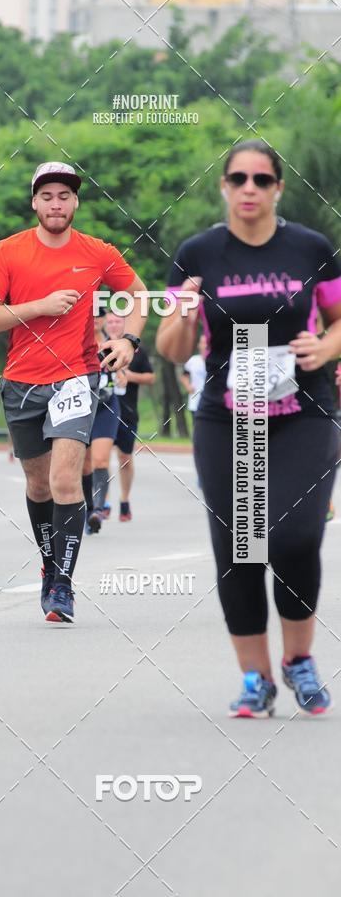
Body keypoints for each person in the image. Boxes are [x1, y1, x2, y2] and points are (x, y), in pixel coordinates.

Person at [157, 139, 341, 718]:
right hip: (225, 416)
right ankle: (255, 678)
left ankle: (298, 660)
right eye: (238, 179)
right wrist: (184, 316)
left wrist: (325, 345)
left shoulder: (309, 247)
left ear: (279, 188)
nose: (250, 189)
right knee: (241, 546)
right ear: (224, 187)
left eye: (262, 180)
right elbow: (169, 348)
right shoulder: (197, 254)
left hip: (303, 413)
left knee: (293, 536)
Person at [0, 161, 146, 623]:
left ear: (76, 202)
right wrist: (39, 307)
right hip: (20, 382)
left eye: (65, 196)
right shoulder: (8, 252)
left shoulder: (97, 252)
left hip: (76, 376)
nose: (56, 203)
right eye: (47, 196)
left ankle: (63, 587)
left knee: (66, 481)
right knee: (37, 484)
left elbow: (139, 294)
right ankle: (50, 564)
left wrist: (128, 340)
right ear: (34, 202)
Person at [104, 310, 155, 522]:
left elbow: (151, 377)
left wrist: (127, 375)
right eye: (110, 322)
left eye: (118, 321)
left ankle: (124, 499)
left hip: (127, 411)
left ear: (124, 324)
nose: (114, 325)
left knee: (124, 457)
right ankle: (102, 501)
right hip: (103, 410)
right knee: (100, 458)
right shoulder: (99, 348)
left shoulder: (136, 350)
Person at [83, 308, 121, 535]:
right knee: (85, 464)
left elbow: (123, 370)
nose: (95, 320)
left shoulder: (114, 344)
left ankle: (98, 510)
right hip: (82, 405)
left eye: (99, 316)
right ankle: (88, 509)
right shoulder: (79, 343)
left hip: (107, 406)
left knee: (99, 460)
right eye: (91, 315)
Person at [180, 334, 207, 426]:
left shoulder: (216, 361)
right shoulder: (193, 360)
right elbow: (184, 376)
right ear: (199, 345)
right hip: (195, 402)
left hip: (211, 402)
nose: (205, 345)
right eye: (202, 343)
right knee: (197, 428)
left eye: (207, 343)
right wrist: (188, 386)